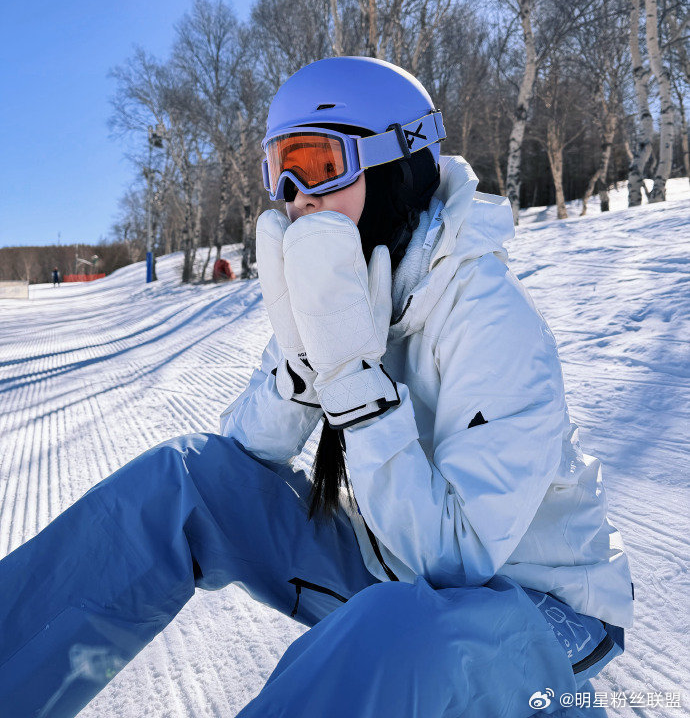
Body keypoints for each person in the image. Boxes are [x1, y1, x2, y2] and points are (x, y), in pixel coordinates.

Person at [0, 57, 633, 718]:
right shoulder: (344, 282)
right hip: (394, 565)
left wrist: (354, 387)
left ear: (396, 165)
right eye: (281, 168)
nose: (298, 194)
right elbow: (245, 451)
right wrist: (303, 364)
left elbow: (459, 560)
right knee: (183, 480)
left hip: (531, 606)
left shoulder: (488, 315)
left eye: (320, 164)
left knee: (393, 634)